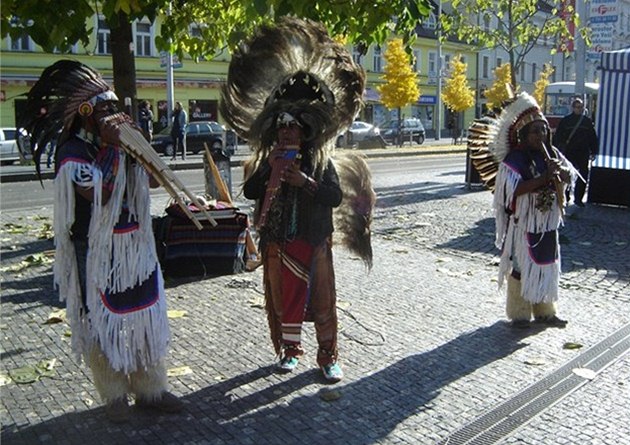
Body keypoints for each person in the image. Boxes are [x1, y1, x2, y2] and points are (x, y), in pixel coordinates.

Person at [19, 60, 182, 422]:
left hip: (135, 244)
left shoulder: (121, 143)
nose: (114, 115)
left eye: (115, 108)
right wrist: (112, 149)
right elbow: (100, 193)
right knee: (99, 318)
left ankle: (150, 389)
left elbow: (155, 182)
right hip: (94, 250)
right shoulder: (73, 151)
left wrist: (142, 149)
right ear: (86, 113)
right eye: (106, 109)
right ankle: (114, 395)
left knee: (144, 312)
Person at [221, 17, 371, 383]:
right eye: (282, 127)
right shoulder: (269, 159)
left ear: (304, 132)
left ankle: (328, 356)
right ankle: (288, 351)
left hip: (313, 240)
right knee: (279, 301)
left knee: (322, 300)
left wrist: (305, 181)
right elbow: (251, 193)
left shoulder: (321, 162)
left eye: (293, 127)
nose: (287, 132)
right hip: (277, 242)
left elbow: (334, 196)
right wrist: (268, 170)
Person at [491, 92, 577, 329]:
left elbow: (571, 176)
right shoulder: (515, 159)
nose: (542, 135)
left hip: (548, 223)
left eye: (544, 130)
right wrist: (543, 179)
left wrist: (562, 173)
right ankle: (519, 313)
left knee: (547, 264)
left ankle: (545, 312)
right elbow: (512, 191)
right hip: (525, 224)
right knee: (520, 268)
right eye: (536, 131)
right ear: (524, 135)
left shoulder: (552, 153)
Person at [552, 98, 598, 207]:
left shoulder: (586, 121)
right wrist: (558, 150)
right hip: (569, 152)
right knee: (567, 174)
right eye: (578, 107)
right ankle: (566, 196)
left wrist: (594, 151)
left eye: (581, 107)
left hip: (583, 152)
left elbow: (592, 137)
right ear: (573, 108)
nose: (580, 109)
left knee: (583, 175)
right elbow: (558, 136)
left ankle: (578, 199)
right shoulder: (566, 121)